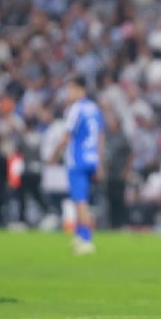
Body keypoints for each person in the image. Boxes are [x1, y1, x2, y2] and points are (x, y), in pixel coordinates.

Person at [49, 77, 105, 255]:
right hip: (92, 158)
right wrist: (100, 162)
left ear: (79, 90)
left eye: (70, 89)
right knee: (81, 198)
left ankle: (86, 240)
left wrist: (54, 155)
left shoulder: (76, 109)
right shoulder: (94, 108)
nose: (68, 94)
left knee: (80, 201)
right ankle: (79, 235)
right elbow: (100, 137)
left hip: (78, 159)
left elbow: (67, 136)